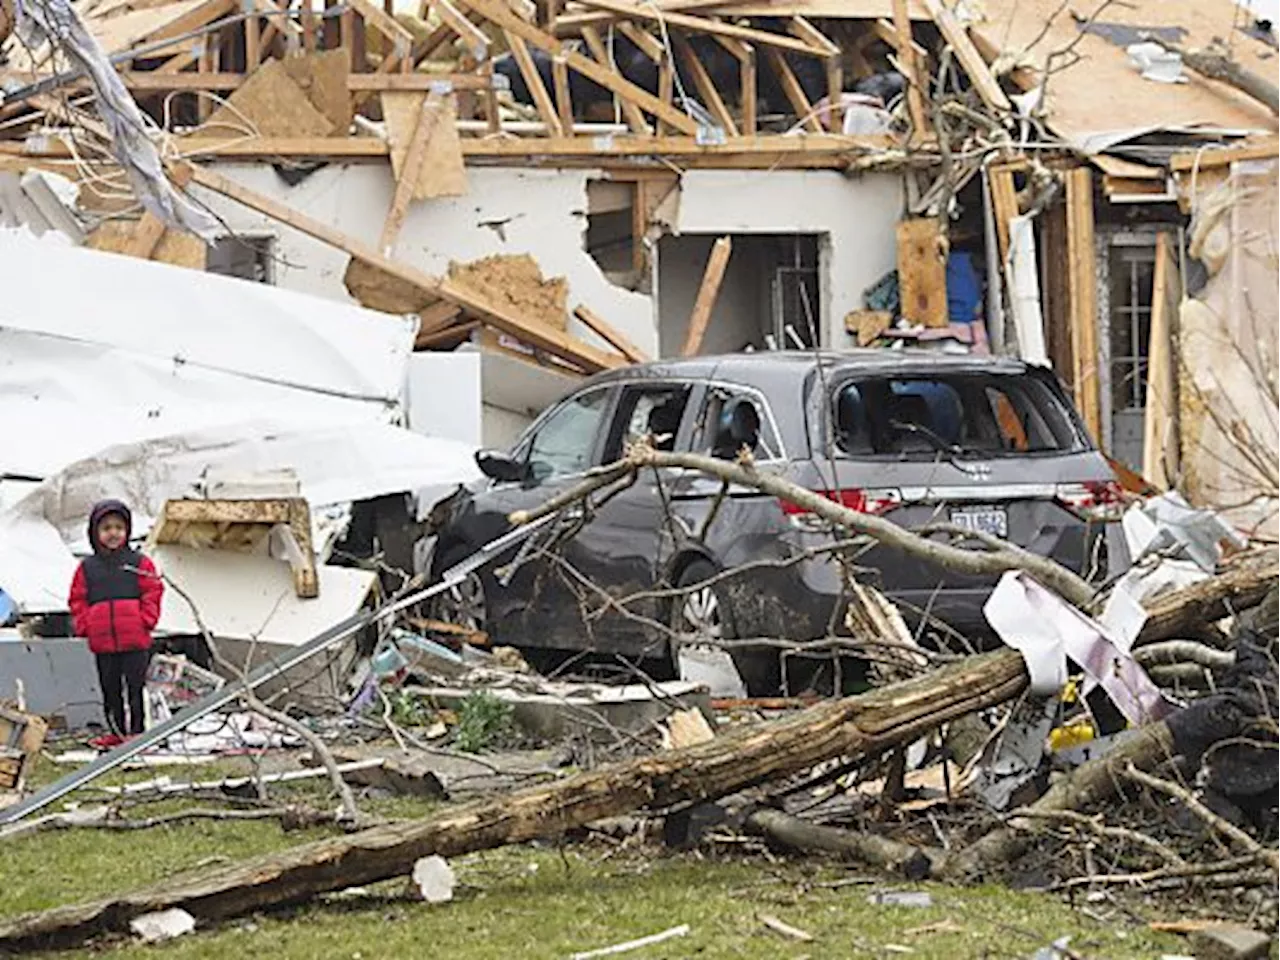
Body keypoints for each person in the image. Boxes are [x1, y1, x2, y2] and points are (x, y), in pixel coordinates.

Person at [68, 500, 163, 748]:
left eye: (119, 527)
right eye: (107, 528)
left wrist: (146, 620)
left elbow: (152, 590)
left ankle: (138, 732)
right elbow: (77, 599)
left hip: (135, 639)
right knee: (110, 689)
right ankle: (116, 732)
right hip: (103, 641)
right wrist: (85, 626)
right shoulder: (87, 568)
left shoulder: (139, 563)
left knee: (135, 688)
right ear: (95, 533)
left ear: (127, 531)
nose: (113, 533)